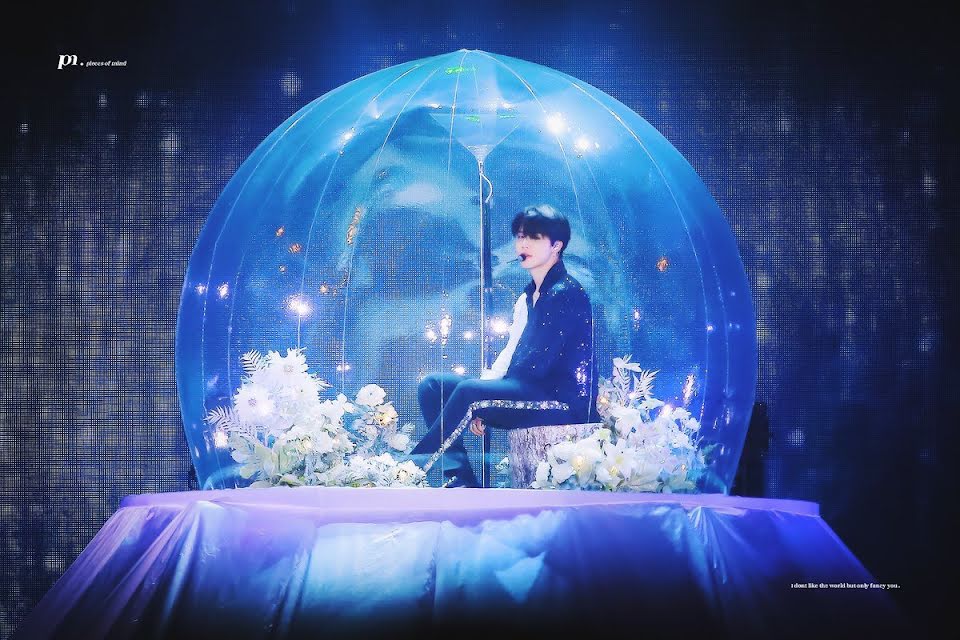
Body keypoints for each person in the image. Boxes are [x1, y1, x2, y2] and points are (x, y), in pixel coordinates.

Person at [410, 204, 597, 487]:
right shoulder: (528, 296)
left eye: (534, 237)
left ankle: (408, 472)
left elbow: (536, 365)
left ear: (557, 245)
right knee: (434, 386)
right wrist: (489, 391)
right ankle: (459, 478)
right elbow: (512, 352)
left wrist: (484, 399)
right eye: (520, 236)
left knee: (470, 392)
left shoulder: (566, 293)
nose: (523, 244)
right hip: (527, 389)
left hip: (560, 402)